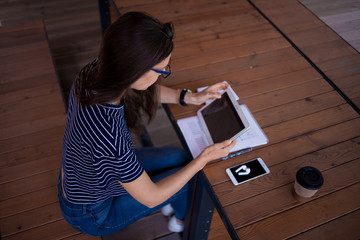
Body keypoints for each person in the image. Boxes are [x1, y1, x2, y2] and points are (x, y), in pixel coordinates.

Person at [58, 11, 236, 237]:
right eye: (163, 69)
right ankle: (180, 223)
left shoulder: (94, 71)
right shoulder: (111, 138)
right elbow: (151, 196)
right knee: (193, 176)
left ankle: (175, 204)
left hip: (82, 175)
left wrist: (188, 97)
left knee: (181, 158)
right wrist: (204, 158)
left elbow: (140, 87)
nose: (164, 73)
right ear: (134, 70)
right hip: (92, 214)